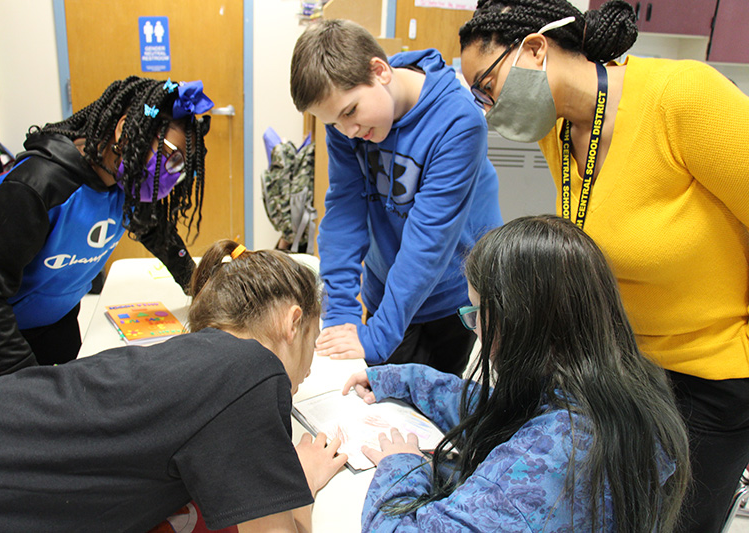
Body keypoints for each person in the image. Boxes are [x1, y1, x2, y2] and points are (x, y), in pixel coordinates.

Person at [457, 1, 749, 530]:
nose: (487, 109)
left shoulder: (680, 97)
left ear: (535, 49)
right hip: (628, 373)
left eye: (487, 87)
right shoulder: (558, 129)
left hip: (711, 378)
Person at [0, 240, 347, 532]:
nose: (309, 369)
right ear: (293, 323)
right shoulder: (250, 370)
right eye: (313, 341)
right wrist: (299, 480)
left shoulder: (189, 359)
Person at [343, 215, 690, 532]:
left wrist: (399, 466)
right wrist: (406, 380)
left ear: (520, 322)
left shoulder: (548, 460)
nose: (474, 326)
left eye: (476, 311)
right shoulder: (618, 388)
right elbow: (501, 413)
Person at [0, 76, 213, 385]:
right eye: (171, 159)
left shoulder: (124, 181)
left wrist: (200, 287)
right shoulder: (38, 186)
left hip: (51, 322)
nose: (170, 177)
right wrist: (28, 380)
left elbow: (155, 233)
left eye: (180, 168)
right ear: (125, 130)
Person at [289, 19, 502, 375]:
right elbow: (345, 211)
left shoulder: (459, 121)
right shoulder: (348, 124)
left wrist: (377, 337)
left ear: (379, 70)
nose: (349, 132)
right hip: (386, 288)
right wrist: (341, 315)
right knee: (369, 398)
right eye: (334, 123)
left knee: (425, 408)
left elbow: (429, 243)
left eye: (350, 112)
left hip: (450, 293)